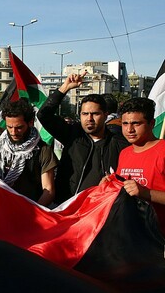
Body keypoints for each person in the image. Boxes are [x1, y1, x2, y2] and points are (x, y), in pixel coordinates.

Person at [37, 72, 128, 203]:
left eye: (95, 114)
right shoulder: (72, 134)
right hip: (67, 206)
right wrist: (65, 87)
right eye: (85, 114)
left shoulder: (118, 143)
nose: (89, 119)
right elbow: (44, 115)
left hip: (99, 210)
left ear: (105, 115)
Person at [0, 99, 58, 207]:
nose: (13, 132)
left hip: (29, 208)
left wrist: (32, 212)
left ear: (30, 122)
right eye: (9, 127)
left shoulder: (42, 149)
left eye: (19, 128)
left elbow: (48, 190)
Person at [111, 97, 165, 234]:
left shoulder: (163, 150)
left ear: (152, 123)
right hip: (131, 238)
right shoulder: (124, 153)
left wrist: (146, 193)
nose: (129, 129)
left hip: (159, 239)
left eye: (136, 123)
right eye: (125, 123)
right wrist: (110, 185)